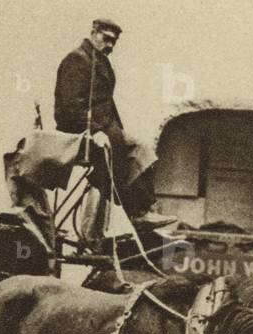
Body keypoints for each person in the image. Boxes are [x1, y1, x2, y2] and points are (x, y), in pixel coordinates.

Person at [54, 18, 175, 230]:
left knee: (142, 150)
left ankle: (142, 211)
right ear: (93, 32)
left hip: (105, 128)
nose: (110, 45)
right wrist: (94, 131)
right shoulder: (77, 59)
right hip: (80, 129)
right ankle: (136, 211)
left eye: (113, 42)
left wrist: (113, 130)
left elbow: (105, 103)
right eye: (106, 38)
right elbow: (69, 106)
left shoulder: (100, 61)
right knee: (121, 150)